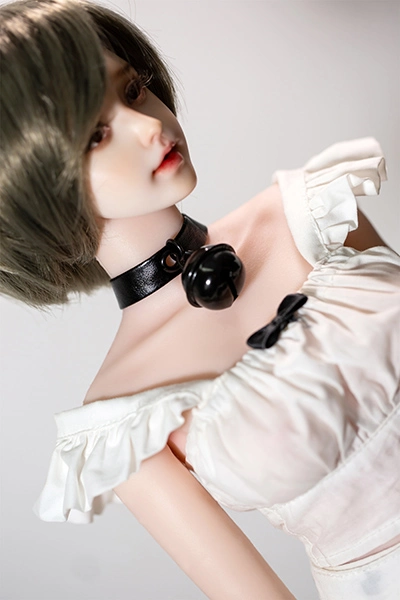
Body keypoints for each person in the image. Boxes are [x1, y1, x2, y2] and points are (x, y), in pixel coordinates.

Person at [1, 1, 399, 598]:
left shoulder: (312, 211)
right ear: (34, 189)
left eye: (133, 90)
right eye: (96, 135)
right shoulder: (124, 418)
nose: (149, 126)